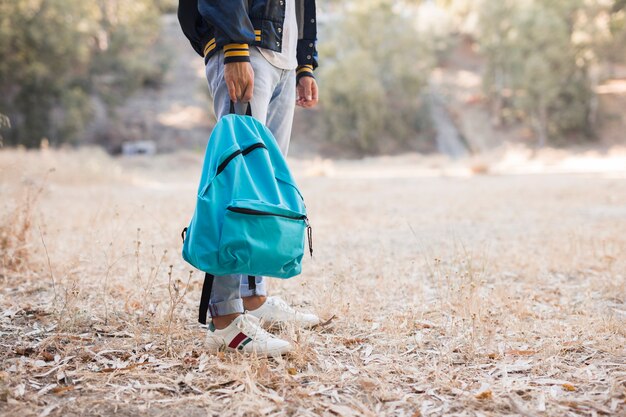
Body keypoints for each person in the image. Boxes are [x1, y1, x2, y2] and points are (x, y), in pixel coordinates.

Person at [178, 0, 320, 356]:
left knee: (263, 191)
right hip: (246, 48)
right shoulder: (239, 49)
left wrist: (304, 63)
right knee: (237, 186)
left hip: (282, 56)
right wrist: (236, 48)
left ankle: (253, 298)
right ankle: (224, 320)